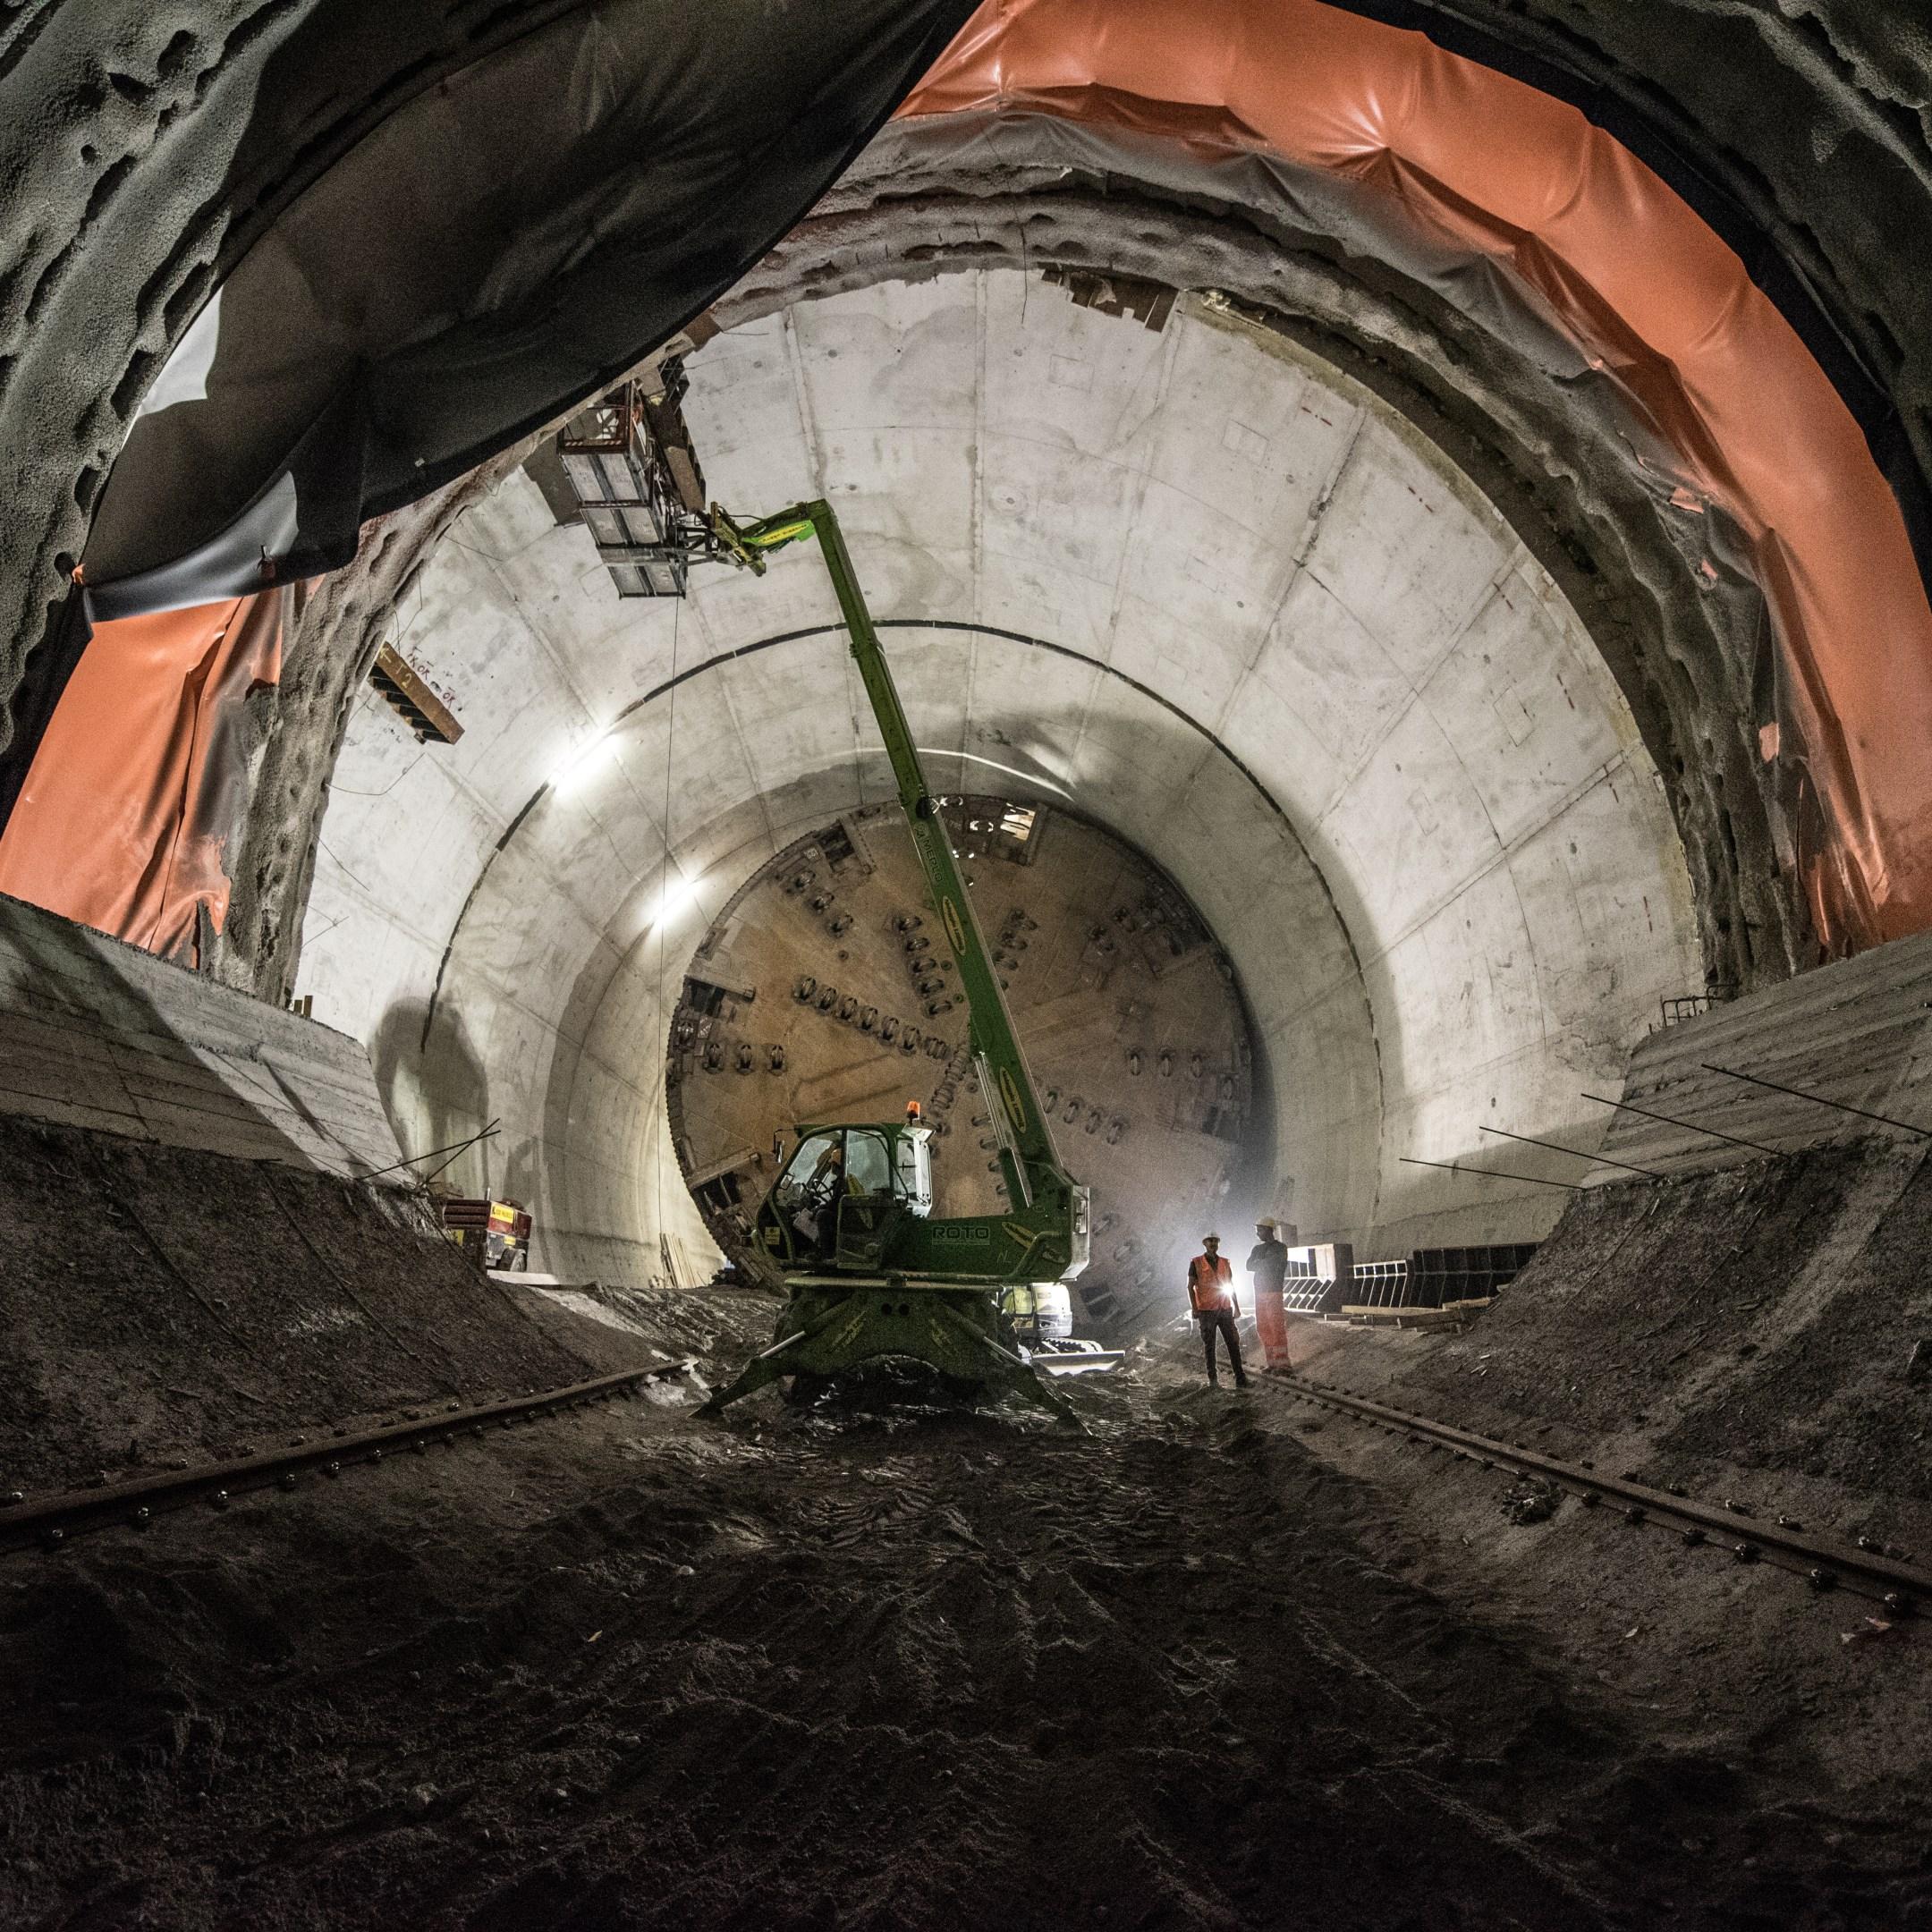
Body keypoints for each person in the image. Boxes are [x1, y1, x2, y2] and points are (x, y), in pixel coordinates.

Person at [1186, 1233, 1249, 1387]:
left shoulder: (1225, 1263)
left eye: (1215, 1241)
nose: (1213, 1243)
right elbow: (1190, 1286)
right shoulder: (1196, 1262)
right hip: (1206, 1311)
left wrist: (1236, 1307)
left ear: (1218, 1243)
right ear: (1205, 1243)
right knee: (1210, 1346)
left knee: (1233, 1343)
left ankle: (1240, 1379)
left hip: (1225, 1308)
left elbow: (1230, 1285)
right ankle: (1213, 1380)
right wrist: (1195, 1308)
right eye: (1210, 1241)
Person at [1248, 1217, 1291, 1373]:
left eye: (1260, 1230)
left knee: (1276, 1326)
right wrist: (1264, 1263)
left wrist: (1261, 1263)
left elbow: (1272, 1264)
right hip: (1259, 1292)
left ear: (1268, 1230)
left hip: (1273, 1292)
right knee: (1263, 1327)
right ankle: (1272, 1363)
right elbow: (1249, 1265)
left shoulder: (1280, 1248)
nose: (1258, 1233)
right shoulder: (1257, 1249)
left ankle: (1284, 1364)